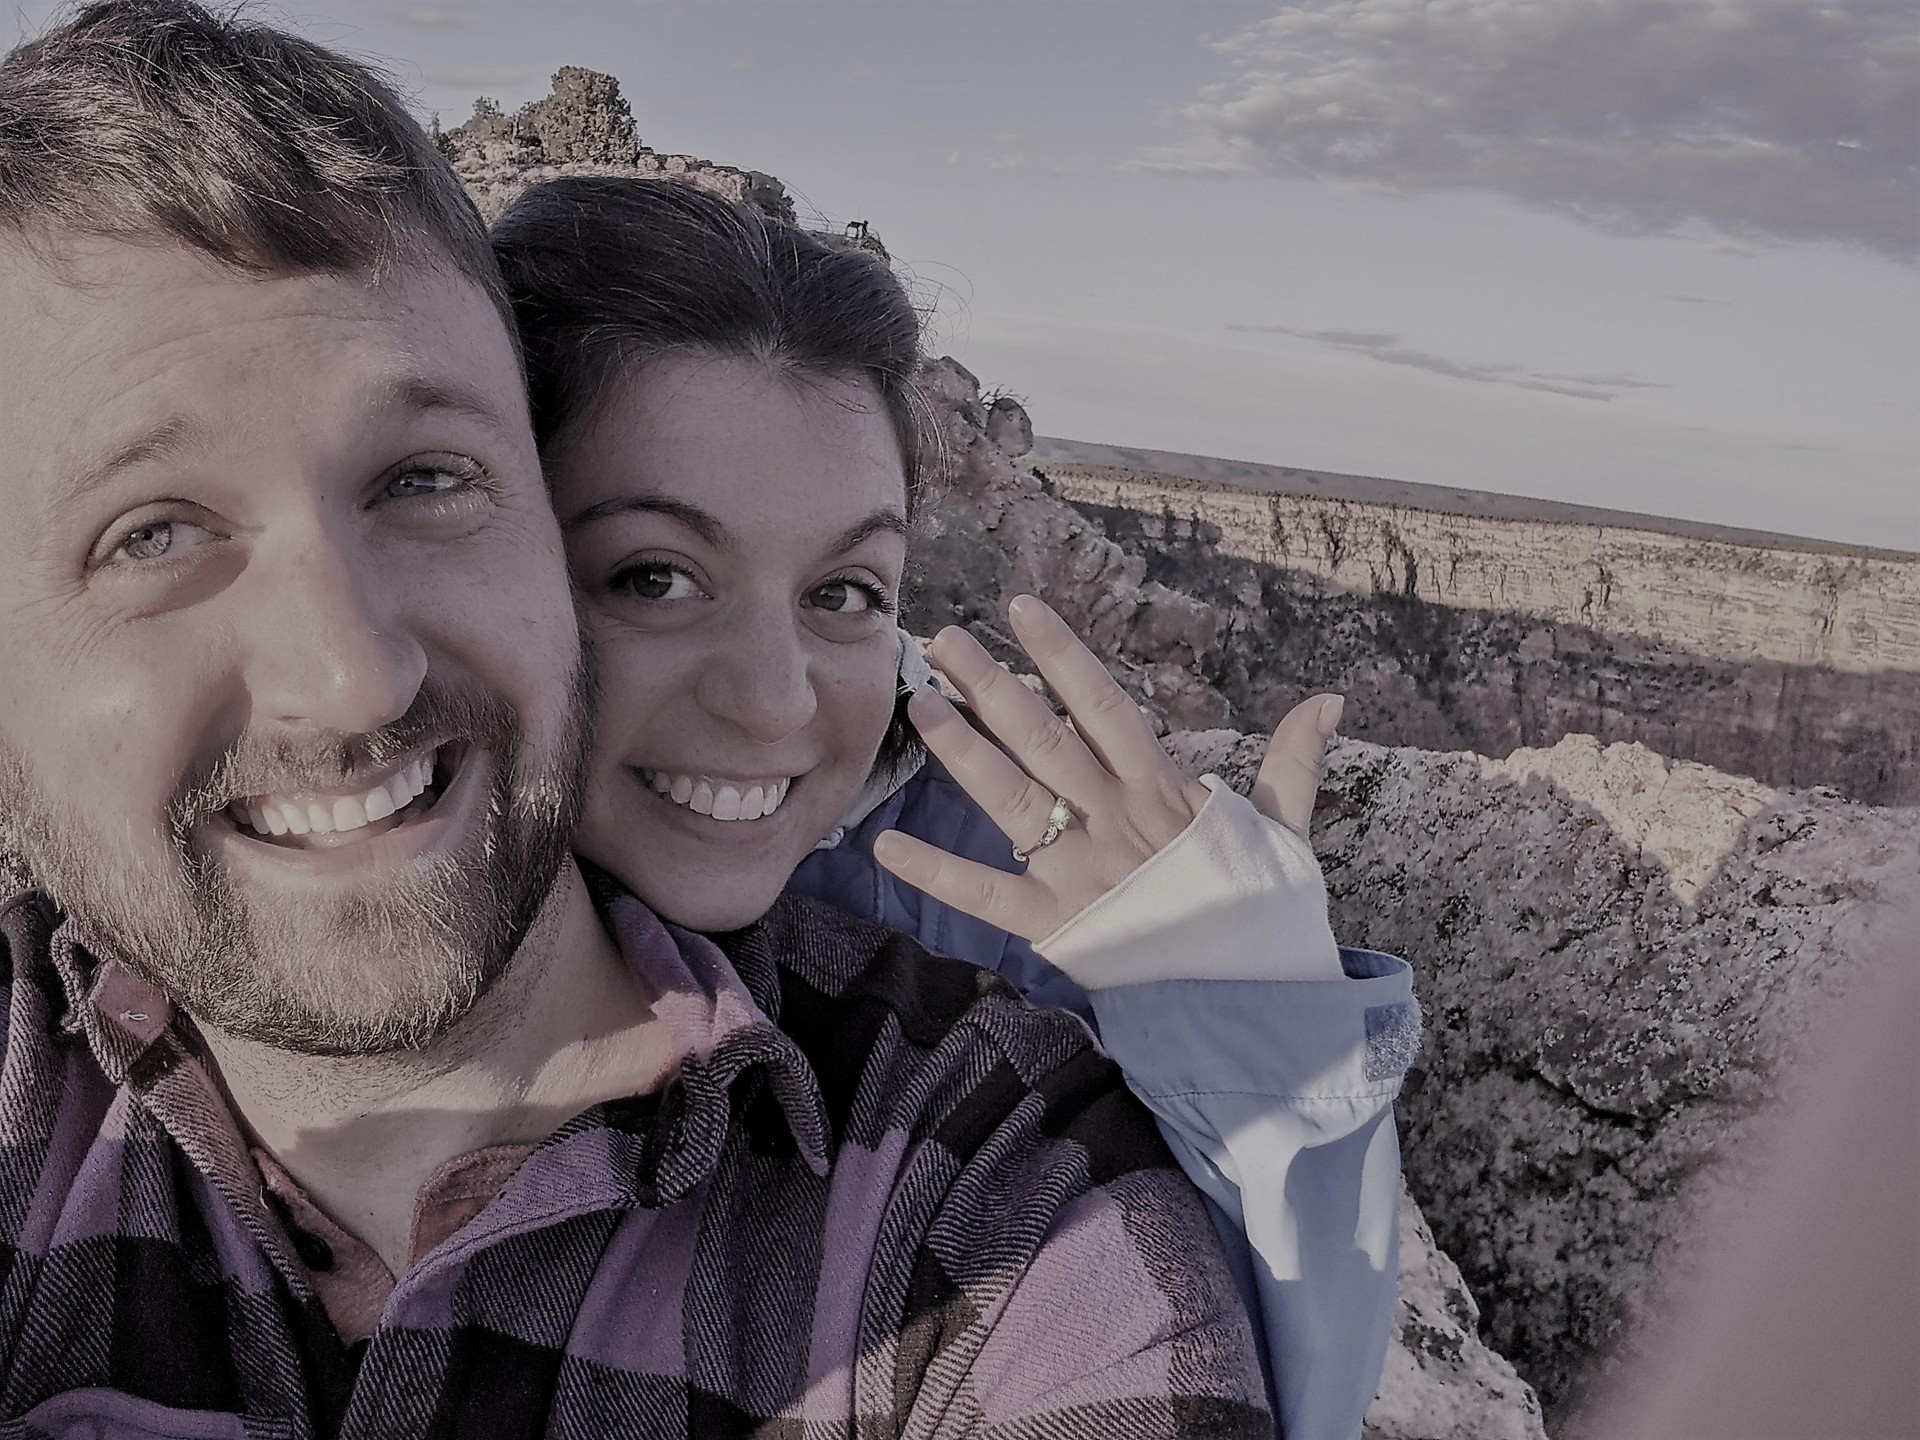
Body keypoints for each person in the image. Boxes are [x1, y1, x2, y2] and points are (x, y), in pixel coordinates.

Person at [0, 3, 1271, 1435]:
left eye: (424, 481)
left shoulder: (998, 1196)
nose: (354, 675)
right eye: (153, 533)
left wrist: (1250, 1007)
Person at [491, 176, 1421, 1440]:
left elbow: (1254, 1389)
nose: (774, 702)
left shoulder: (1021, 894)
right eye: (655, 577)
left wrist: (1245, 1023)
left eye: (845, 592)